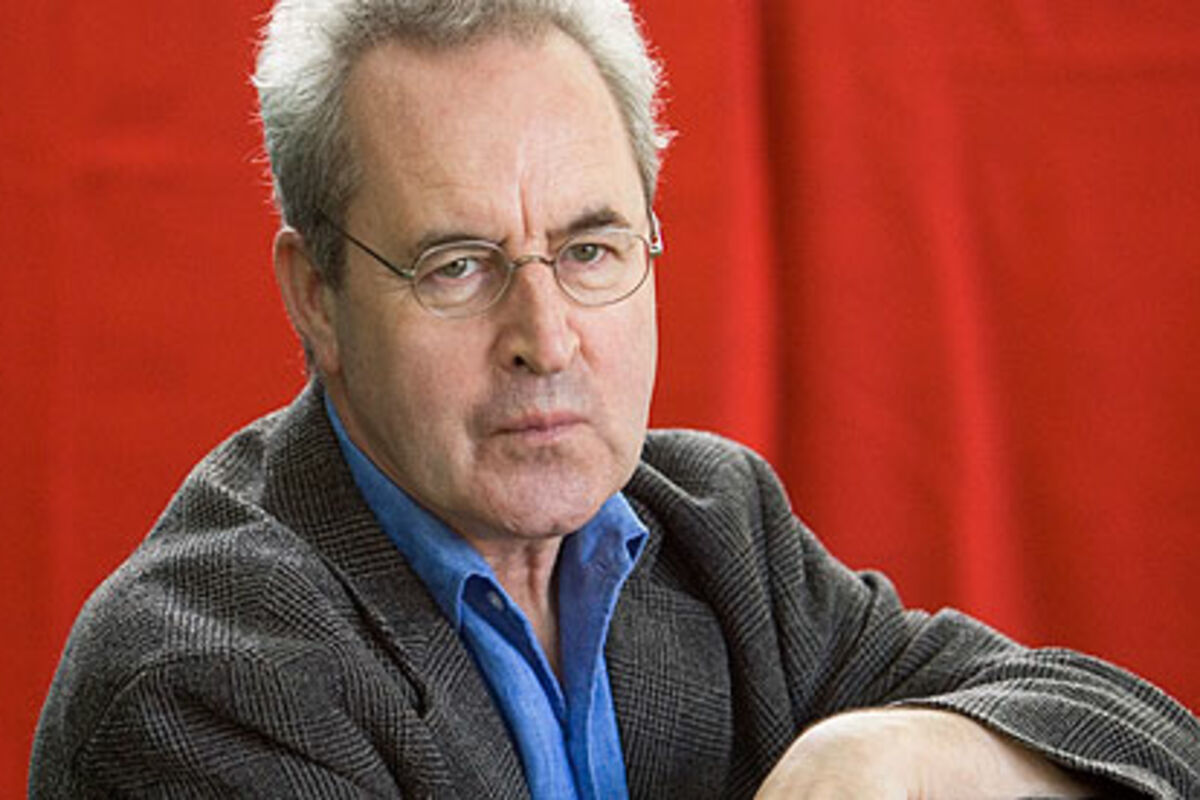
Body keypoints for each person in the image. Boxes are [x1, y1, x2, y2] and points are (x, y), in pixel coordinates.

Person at [30, 0, 1198, 797]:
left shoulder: (712, 528)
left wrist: (900, 754)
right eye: (458, 266)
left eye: (589, 250)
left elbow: (1152, 741)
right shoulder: (201, 679)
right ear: (317, 295)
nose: (546, 339)